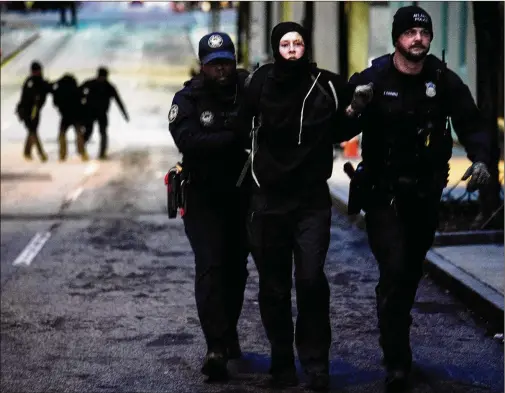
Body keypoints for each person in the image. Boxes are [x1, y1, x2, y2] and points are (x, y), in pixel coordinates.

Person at [344, 5, 491, 392]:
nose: (417, 39)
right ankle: (396, 360)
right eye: (409, 32)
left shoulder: (442, 79)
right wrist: (355, 107)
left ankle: (396, 329)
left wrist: (481, 159)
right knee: (393, 268)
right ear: (397, 38)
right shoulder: (374, 76)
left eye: (423, 33)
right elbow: (338, 127)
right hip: (382, 194)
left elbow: (471, 122)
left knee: (408, 272)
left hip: (424, 195)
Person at [239, 22, 354, 391]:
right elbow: (241, 126)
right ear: (276, 48)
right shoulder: (259, 83)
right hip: (268, 199)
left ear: (306, 47)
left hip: (310, 202)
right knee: (273, 287)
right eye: (285, 44)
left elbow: (343, 127)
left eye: (298, 43)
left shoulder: (328, 84)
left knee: (310, 281)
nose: (292, 50)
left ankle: (316, 364)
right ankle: (281, 362)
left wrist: (358, 111)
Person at [168, 32, 250, 381]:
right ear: (202, 65)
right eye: (214, 63)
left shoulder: (248, 89)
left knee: (236, 269)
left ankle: (228, 331)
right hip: (202, 197)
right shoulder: (188, 98)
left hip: (243, 195)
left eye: (226, 61)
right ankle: (215, 345)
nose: (221, 68)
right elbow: (188, 140)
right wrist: (234, 137)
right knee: (210, 267)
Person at [80, 67, 129, 160]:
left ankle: (102, 153)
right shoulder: (91, 83)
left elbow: (118, 101)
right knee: (88, 132)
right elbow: (78, 92)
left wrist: (125, 114)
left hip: (102, 113)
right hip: (89, 112)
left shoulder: (109, 86)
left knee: (103, 133)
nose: (102, 79)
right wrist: (82, 101)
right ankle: (81, 148)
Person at [16, 61, 52, 162]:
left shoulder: (38, 81)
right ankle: (41, 154)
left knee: (32, 131)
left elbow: (47, 89)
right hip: (27, 111)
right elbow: (27, 99)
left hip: (35, 111)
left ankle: (27, 152)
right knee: (33, 131)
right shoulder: (31, 82)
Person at [52, 73, 88, 161]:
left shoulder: (59, 90)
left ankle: (62, 155)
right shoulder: (75, 88)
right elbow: (83, 99)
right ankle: (82, 153)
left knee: (62, 134)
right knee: (79, 133)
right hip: (76, 115)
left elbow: (55, 102)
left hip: (65, 115)